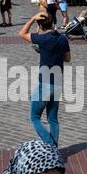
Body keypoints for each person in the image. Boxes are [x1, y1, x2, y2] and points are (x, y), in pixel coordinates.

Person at [19, 12, 70, 146]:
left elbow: (22, 33)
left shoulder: (42, 39)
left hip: (45, 84)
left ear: (40, 26)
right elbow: (68, 58)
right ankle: (54, 149)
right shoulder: (63, 38)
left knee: (34, 117)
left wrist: (32, 18)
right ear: (53, 23)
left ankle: (50, 145)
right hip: (58, 83)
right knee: (53, 119)